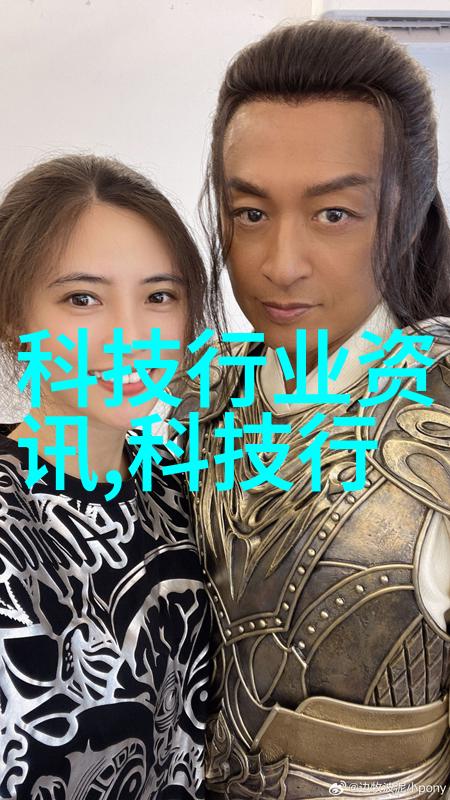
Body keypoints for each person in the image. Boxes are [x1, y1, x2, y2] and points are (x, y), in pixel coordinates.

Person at [179, 20, 450, 799]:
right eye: (251, 213)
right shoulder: (201, 390)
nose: (281, 264)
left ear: (406, 212)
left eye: (333, 214)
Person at [0, 155, 212, 800]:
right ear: (14, 318)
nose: (130, 337)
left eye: (159, 296)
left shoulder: (186, 486)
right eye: (83, 298)